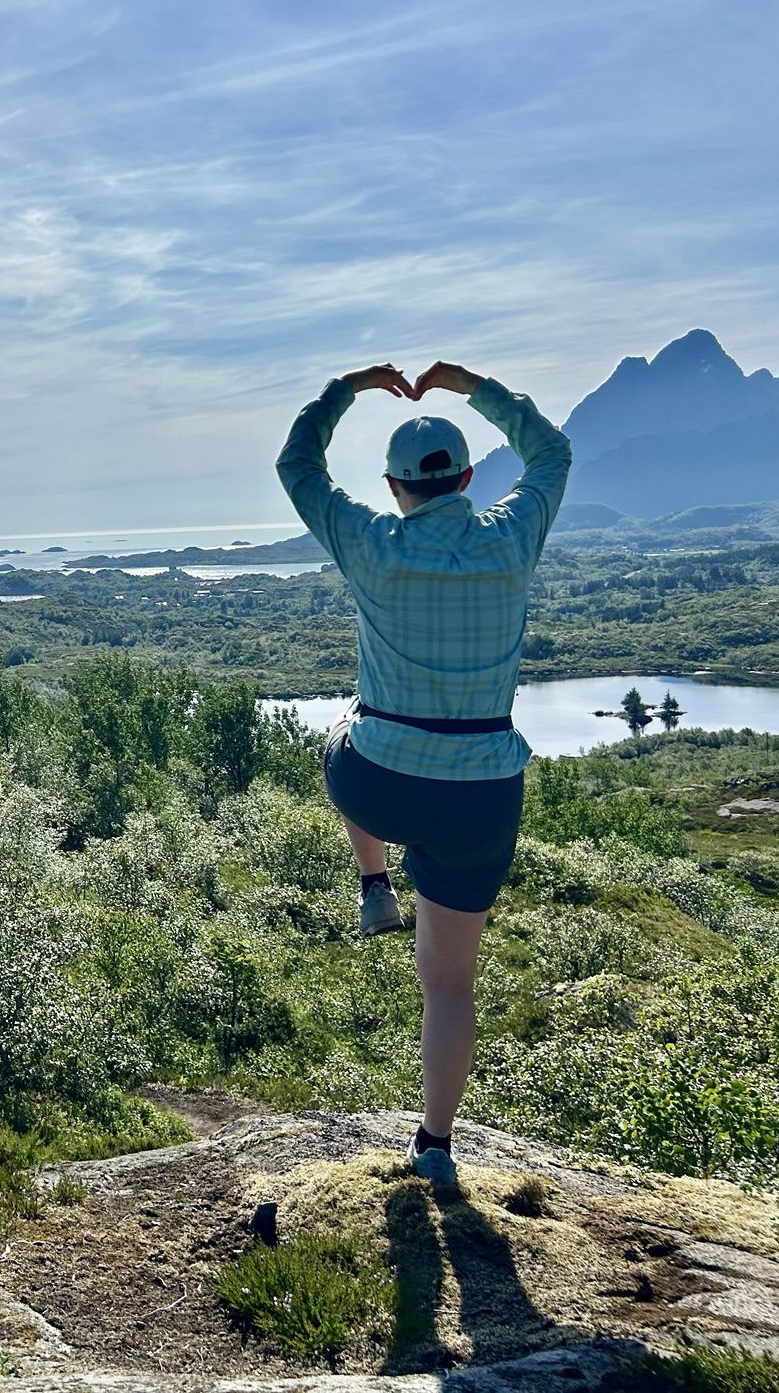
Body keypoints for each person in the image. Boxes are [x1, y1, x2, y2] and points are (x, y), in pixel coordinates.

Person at [276, 359, 570, 1185]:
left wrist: (345, 390)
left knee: (344, 725)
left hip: (378, 780)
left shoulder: (371, 544)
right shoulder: (512, 538)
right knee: (449, 986)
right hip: (480, 797)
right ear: (468, 479)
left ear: (394, 487)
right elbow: (551, 453)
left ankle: (374, 883)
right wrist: (470, 386)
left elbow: (298, 466)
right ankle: (436, 1148)